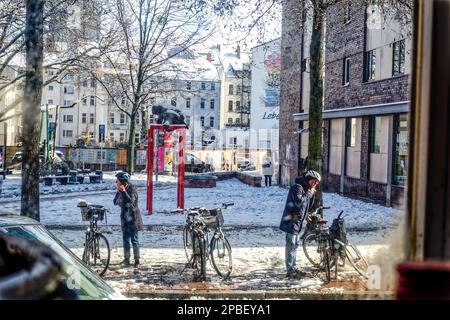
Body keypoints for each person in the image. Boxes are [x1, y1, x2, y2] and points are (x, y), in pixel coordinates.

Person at [279, 170, 321, 279]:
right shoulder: (297, 187)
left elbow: (306, 206)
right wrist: (308, 194)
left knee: (294, 245)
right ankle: (290, 271)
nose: (315, 184)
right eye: (314, 181)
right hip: (291, 221)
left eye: (317, 183)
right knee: (291, 245)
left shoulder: (305, 189)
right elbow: (298, 203)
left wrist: (311, 196)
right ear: (308, 178)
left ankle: (293, 268)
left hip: (297, 222)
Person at [113, 172, 144, 267]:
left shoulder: (132, 189)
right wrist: (119, 192)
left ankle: (137, 260)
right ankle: (126, 259)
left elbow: (131, 201)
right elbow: (114, 202)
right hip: (125, 218)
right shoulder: (121, 190)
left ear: (122, 181)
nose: (116, 182)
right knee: (125, 239)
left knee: (134, 239)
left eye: (117, 180)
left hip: (133, 218)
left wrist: (124, 192)